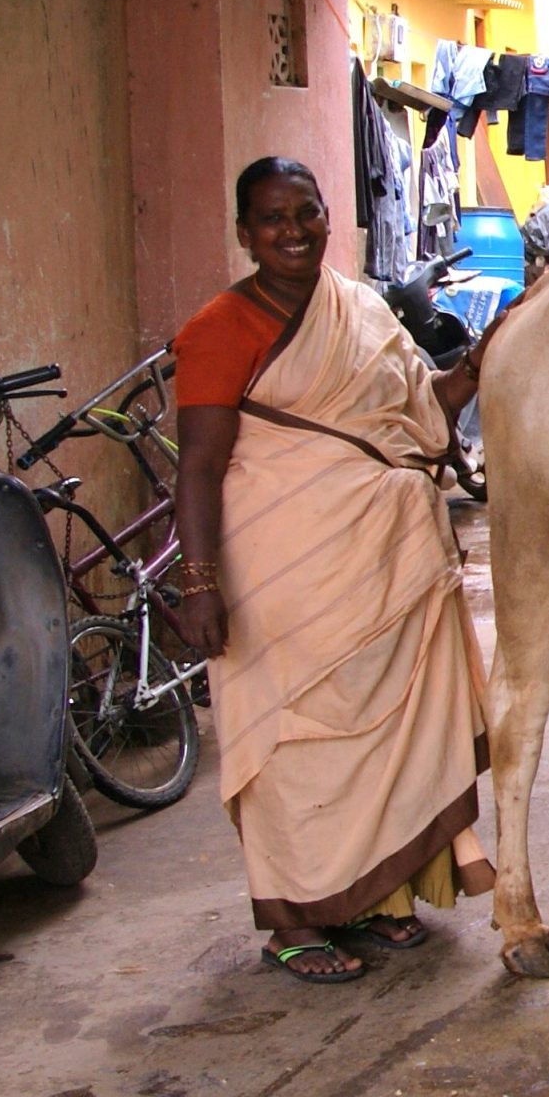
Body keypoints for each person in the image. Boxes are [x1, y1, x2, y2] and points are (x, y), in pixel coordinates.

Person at [168, 157, 496, 985]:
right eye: (273, 218)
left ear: (326, 216)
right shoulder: (218, 329)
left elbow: (423, 412)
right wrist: (198, 586)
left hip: (382, 564)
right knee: (293, 737)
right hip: (281, 569)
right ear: (245, 234)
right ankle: (289, 921)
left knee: (380, 724)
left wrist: (483, 362)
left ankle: (371, 900)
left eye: (306, 213)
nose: (294, 231)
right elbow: (199, 468)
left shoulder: (362, 310)